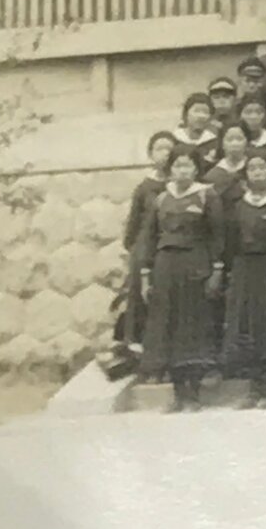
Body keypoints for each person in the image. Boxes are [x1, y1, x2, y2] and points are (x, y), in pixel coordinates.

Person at [135, 146, 225, 410]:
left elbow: (217, 235)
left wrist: (216, 269)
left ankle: (193, 394)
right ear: (170, 169)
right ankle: (177, 392)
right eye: (177, 166)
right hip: (165, 267)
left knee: (192, 325)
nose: (182, 171)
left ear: (196, 169)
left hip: (195, 264)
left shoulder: (208, 196)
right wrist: (145, 274)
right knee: (168, 325)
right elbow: (148, 238)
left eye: (187, 166)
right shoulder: (161, 199)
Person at [221, 151, 266, 407]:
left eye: (262, 168)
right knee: (246, 325)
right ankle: (254, 388)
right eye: (252, 169)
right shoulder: (240, 205)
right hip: (244, 268)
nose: (258, 173)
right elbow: (231, 240)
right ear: (246, 175)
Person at [110, 132, 177, 378]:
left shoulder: (182, 184)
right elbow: (132, 229)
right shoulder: (144, 188)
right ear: (150, 154)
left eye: (169, 149)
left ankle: (169, 364)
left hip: (171, 254)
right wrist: (140, 254)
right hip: (145, 254)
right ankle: (145, 364)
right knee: (143, 306)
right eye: (159, 148)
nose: (165, 153)